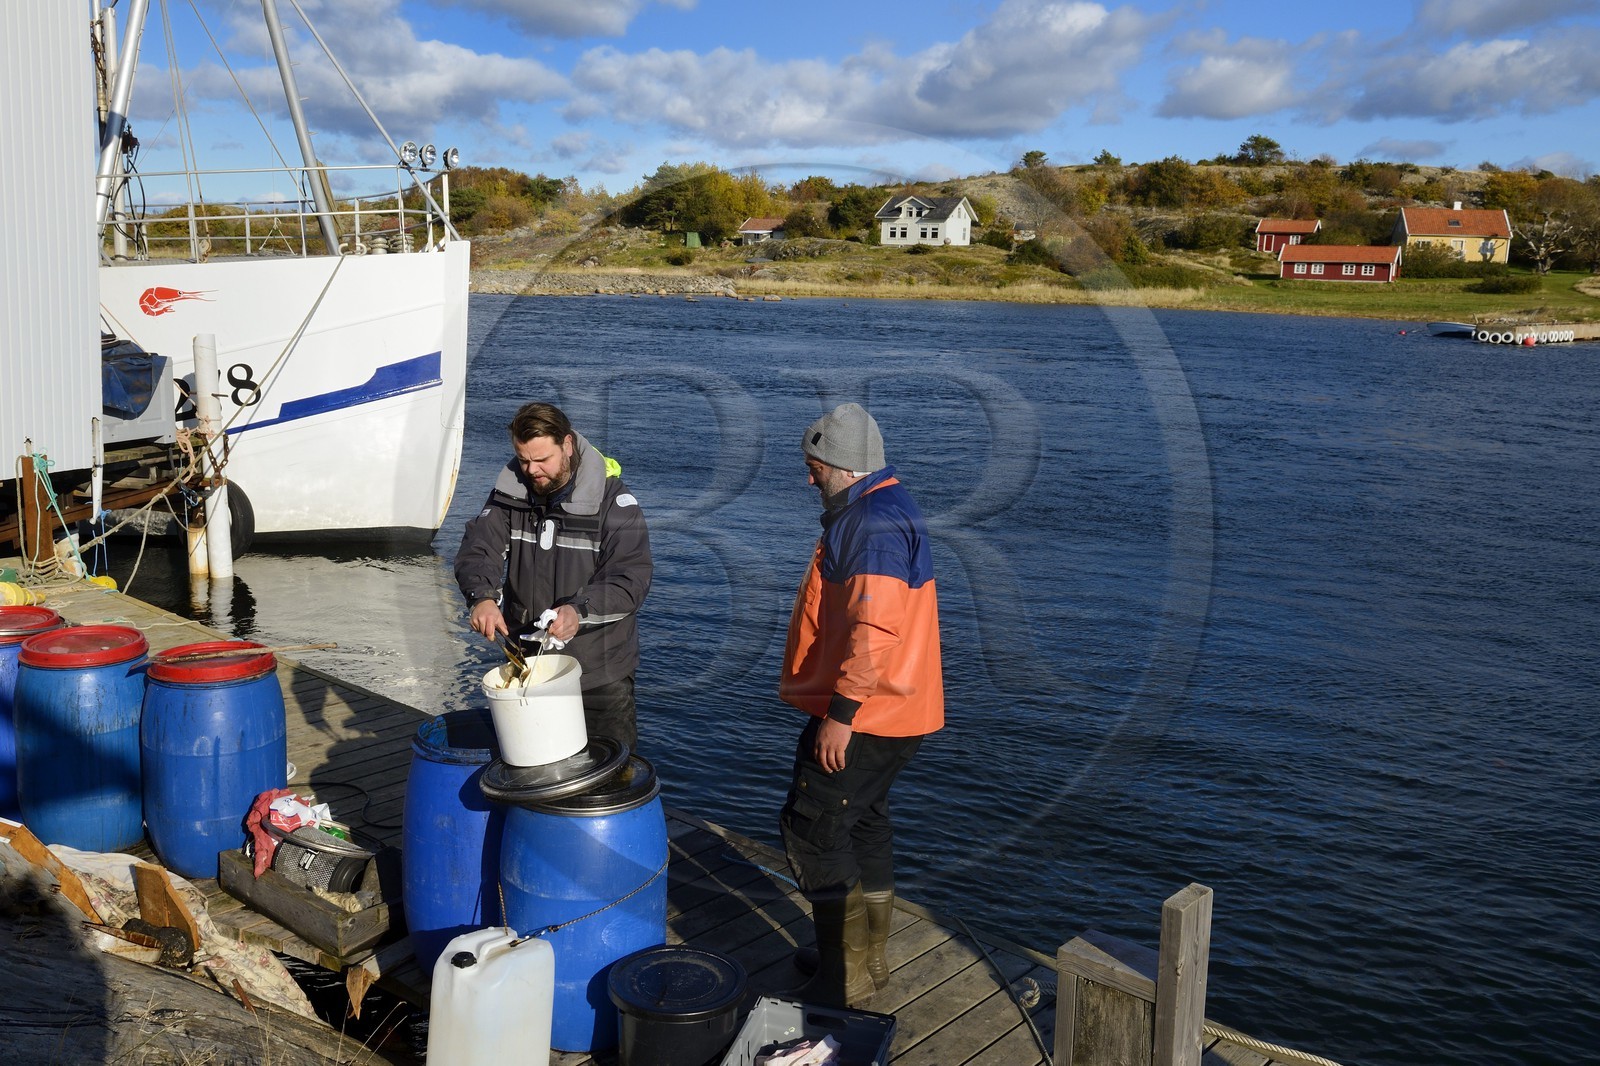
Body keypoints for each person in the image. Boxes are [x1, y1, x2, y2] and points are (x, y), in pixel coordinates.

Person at [777, 402, 945, 1008]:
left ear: (845, 468)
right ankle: (866, 959)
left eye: (814, 467)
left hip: (871, 712)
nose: (809, 479)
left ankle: (840, 979)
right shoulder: (881, 506)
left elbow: (875, 630)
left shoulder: (870, 525)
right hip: (902, 710)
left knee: (813, 830)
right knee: (864, 822)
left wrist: (841, 716)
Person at [455, 402, 652, 749]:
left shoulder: (615, 503)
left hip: (598, 675)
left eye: (542, 460)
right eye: (523, 459)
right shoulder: (508, 496)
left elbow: (630, 578)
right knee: (533, 772)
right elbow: (478, 549)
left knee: (608, 778)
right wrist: (482, 598)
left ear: (567, 445)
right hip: (528, 669)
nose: (531, 470)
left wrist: (579, 611)